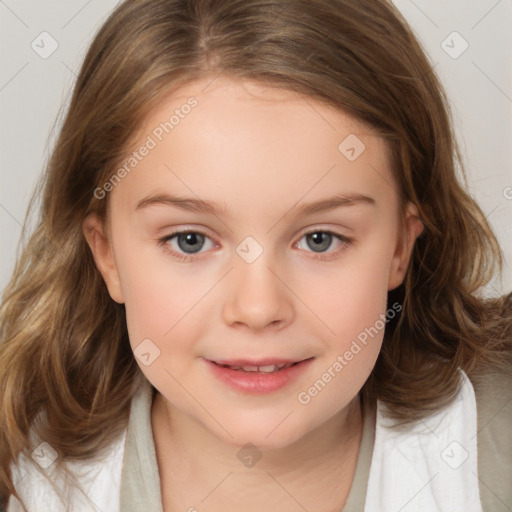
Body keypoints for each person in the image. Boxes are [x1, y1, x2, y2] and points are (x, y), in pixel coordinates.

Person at [1, 0, 511, 510]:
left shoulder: (491, 446)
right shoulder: (25, 480)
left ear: (400, 246)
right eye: (190, 240)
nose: (258, 308)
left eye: (320, 239)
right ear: (107, 254)